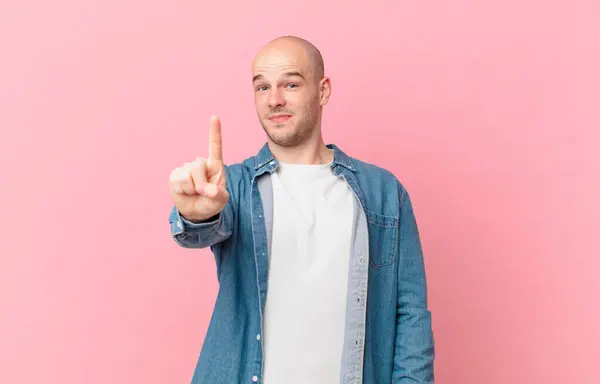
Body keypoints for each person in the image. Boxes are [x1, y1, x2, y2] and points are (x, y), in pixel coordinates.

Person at [168, 35, 435, 384]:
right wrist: (196, 213)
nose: (274, 100)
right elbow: (201, 229)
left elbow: (410, 312)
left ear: (322, 91)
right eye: (262, 88)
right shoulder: (231, 186)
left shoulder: (383, 192)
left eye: (290, 84)